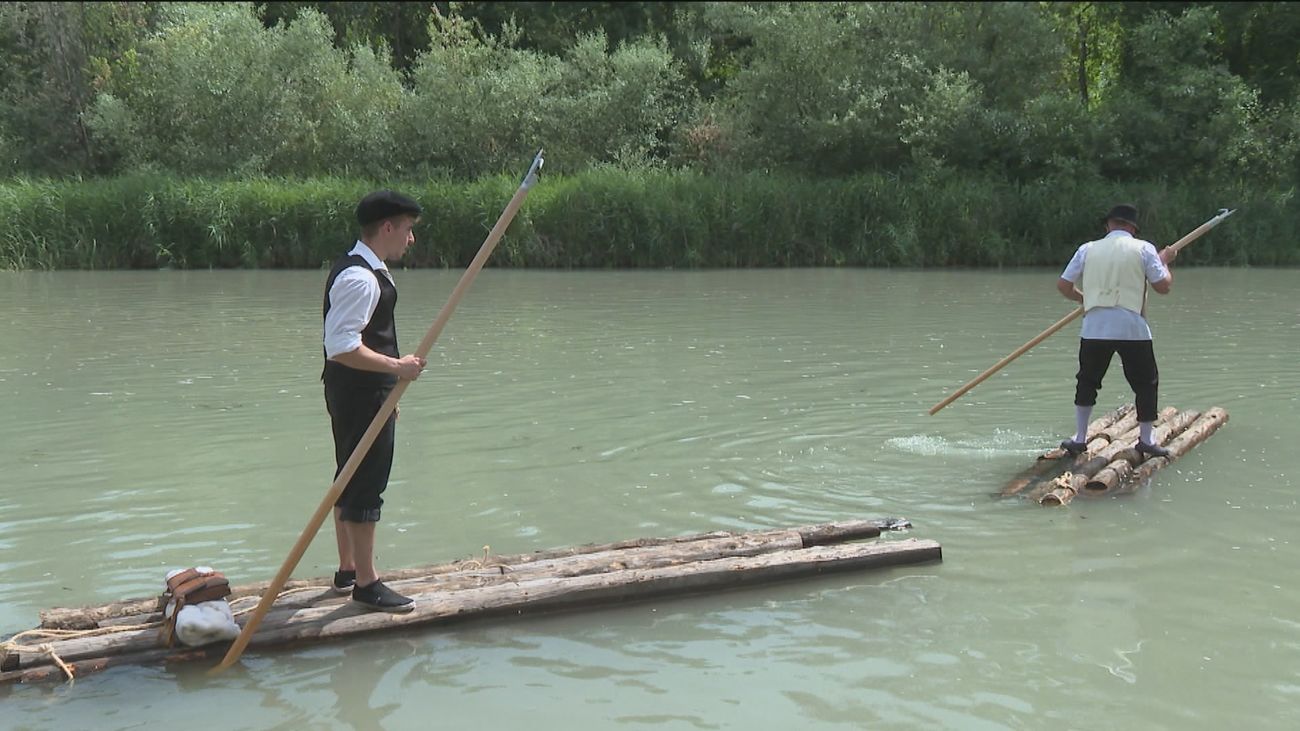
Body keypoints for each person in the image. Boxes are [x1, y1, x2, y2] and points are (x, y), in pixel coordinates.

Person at [322, 190, 428, 612]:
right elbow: (342, 346)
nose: (411, 240)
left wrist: (389, 387)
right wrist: (397, 368)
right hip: (359, 392)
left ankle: (348, 570)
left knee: (348, 476)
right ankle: (367, 584)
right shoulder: (360, 278)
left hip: (362, 392)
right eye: (407, 230)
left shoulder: (366, 269)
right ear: (387, 227)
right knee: (365, 485)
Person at [1056, 203, 1177, 459]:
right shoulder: (1144, 249)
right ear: (1132, 228)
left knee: (1087, 381)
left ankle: (1080, 438)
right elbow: (1163, 286)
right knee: (1146, 383)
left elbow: (1064, 285)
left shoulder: (1087, 249)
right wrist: (1164, 262)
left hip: (1095, 326)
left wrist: (1085, 299)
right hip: (1131, 327)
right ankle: (1145, 440)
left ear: (1108, 225)